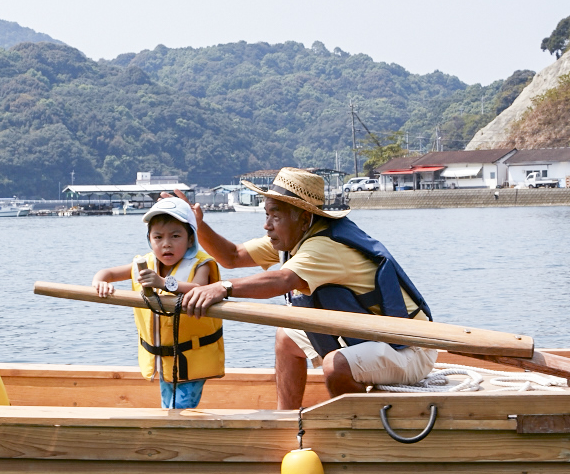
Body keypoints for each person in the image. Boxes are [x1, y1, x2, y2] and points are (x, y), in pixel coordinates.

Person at [180, 167, 435, 410]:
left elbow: (283, 280)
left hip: (409, 347)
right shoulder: (292, 237)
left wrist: (223, 287)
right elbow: (233, 256)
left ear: (304, 219)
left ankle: (355, 426)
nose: (267, 225)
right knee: (286, 337)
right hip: (370, 339)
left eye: (275, 216)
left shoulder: (324, 246)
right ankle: (287, 419)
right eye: (266, 215)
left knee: (335, 365)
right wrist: (198, 225)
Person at [90, 196, 226, 408]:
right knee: (168, 406)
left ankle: (177, 430)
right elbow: (107, 273)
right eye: (158, 237)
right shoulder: (145, 264)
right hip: (164, 359)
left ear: (190, 239)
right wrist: (100, 282)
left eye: (175, 236)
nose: (166, 244)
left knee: (179, 408)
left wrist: (163, 283)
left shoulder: (202, 265)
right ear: (149, 240)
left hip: (193, 357)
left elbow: (200, 288)